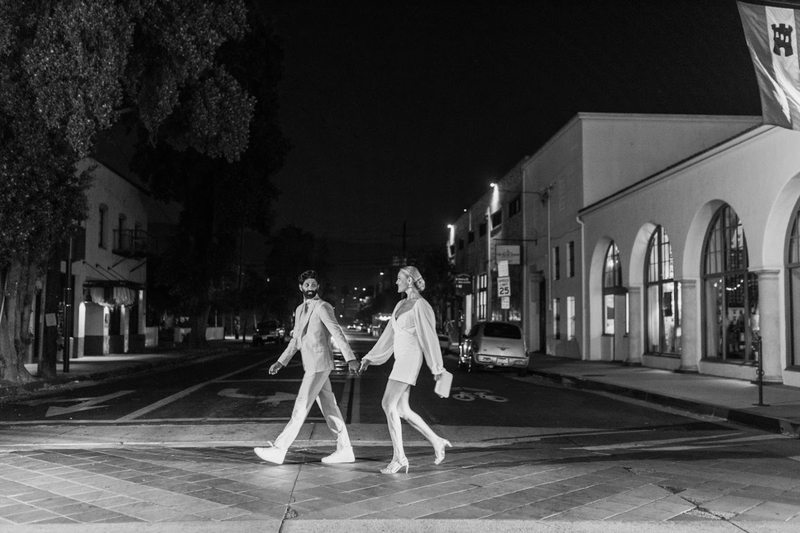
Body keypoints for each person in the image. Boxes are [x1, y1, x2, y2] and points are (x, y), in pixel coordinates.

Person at [254, 270, 360, 465]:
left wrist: (350, 358)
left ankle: (279, 449)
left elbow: (337, 332)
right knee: (330, 408)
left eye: (313, 284)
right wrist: (281, 361)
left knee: (300, 406)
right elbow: (295, 340)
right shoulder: (299, 309)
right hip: (311, 364)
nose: (310, 288)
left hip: (319, 364)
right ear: (300, 287)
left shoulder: (323, 307)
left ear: (318, 287)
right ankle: (345, 449)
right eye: (307, 285)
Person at [359, 266, 452, 474]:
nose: (396, 282)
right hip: (400, 359)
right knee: (402, 410)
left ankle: (399, 457)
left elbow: (429, 337)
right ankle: (437, 441)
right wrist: (370, 358)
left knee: (387, 403)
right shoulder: (400, 304)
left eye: (400, 278)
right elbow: (388, 336)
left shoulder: (421, 306)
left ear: (410, 280)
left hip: (410, 359)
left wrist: (437, 366)